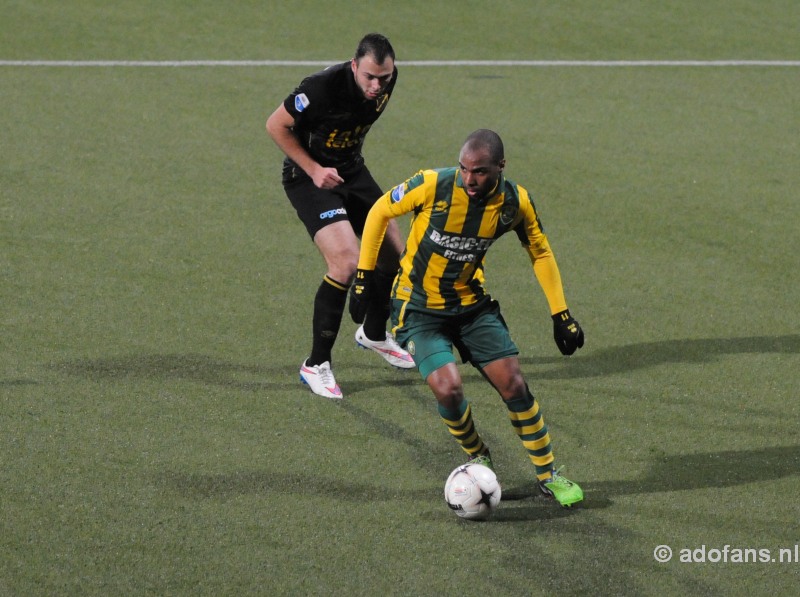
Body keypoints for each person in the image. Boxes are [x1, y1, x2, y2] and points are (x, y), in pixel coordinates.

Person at [349, 129, 586, 506]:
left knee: (515, 386)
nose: (469, 179)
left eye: (479, 171)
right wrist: (363, 275)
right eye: (464, 169)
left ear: (500, 167)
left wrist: (561, 314)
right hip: (418, 308)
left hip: (471, 306)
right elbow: (380, 210)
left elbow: (540, 252)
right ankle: (478, 454)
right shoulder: (432, 185)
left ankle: (549, 476)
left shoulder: (515, 203)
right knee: (448, 388)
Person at [266, 33, 414, 400]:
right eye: (369, 77)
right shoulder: (320, 88)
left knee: (395, 256)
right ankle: (315, 364)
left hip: (351, 172)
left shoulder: (387, 83)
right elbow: (275, 125)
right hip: (309, 178)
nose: (377, 86)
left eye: (384, 78)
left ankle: (374, 334)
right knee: (346, 263)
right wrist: (315, 169)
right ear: (353, 66)